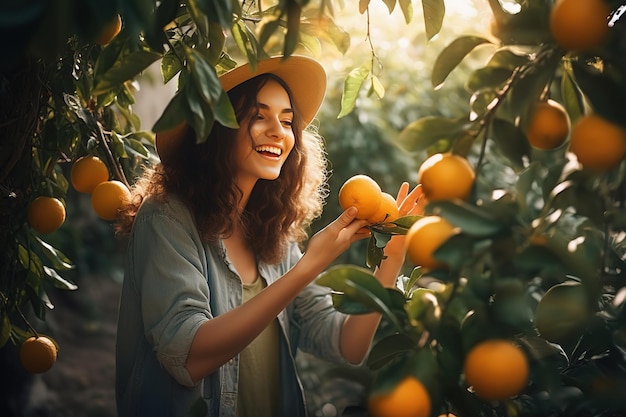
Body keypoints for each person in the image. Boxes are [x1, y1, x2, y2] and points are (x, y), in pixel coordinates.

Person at [114, 55, 423, 417]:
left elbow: (346, 345)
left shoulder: (271, 232)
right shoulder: (167, 217)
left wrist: (392, 258)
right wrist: (307, 268)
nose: (278, 131)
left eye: (287, 120)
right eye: (258, 115)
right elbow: (186, 357)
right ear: (217, 128)